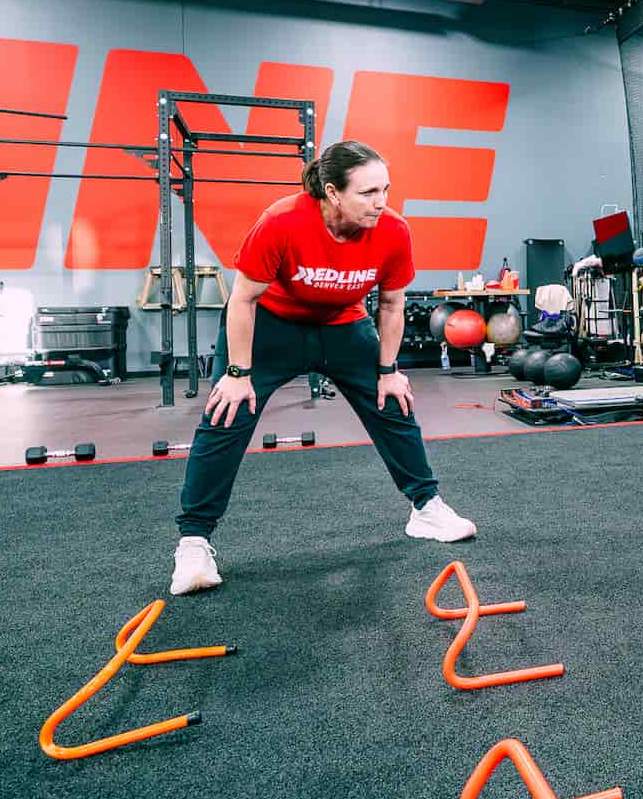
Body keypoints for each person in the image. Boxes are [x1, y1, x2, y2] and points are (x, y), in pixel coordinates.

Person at [168, 140, 477, 596]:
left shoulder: (393, 230)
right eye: (368, 192)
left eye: (385, 189)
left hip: (343, 326)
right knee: (226, 415)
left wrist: (389, 369)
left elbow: (392, 305)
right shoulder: (282, 221)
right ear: (332, 193)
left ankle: (426, 508)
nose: (381, 202)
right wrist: (236, 374)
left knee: (393, 403)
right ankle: (194, 541)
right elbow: (243, 300)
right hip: (272, 326)